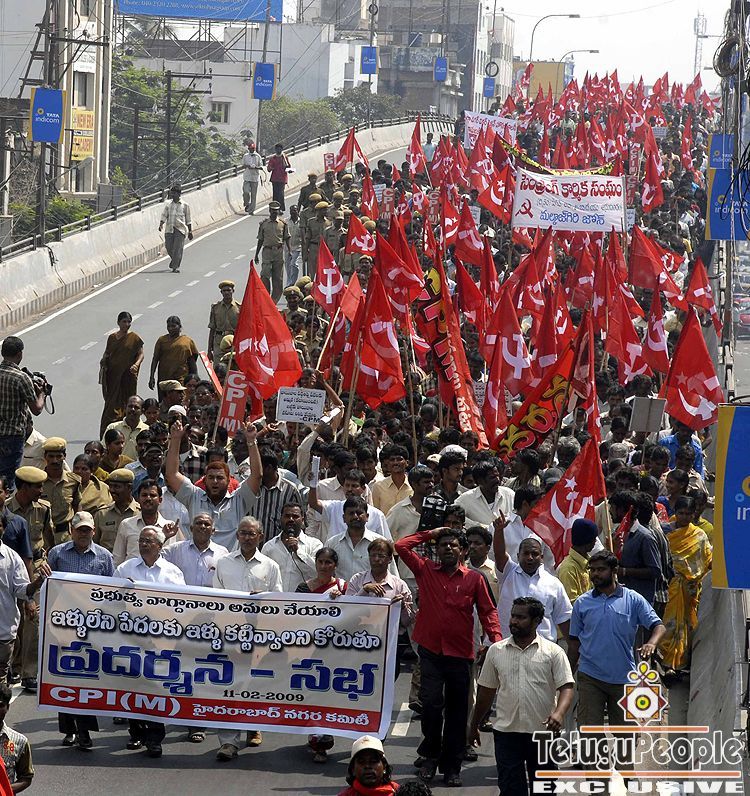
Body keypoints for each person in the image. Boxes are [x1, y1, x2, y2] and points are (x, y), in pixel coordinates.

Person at [395, 527, 501, 787]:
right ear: (437, 550)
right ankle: (430, 757)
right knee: (431, 705)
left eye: (453, 545)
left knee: (457, 712)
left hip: (461, 654)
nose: (448, 548)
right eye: (443, 545)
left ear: (462, 550)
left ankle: (452, 767)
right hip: (431, 651)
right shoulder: (425, 569)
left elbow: (488, 611)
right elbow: (401, 546)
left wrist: (496, 642)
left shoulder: (474, 579)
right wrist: (432, 532)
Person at [568, 551, 665, 773]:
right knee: (589, 733)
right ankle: (598, 780)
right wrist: (566, 677)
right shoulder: (582, 603)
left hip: (624, 679)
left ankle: (625, 777)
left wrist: (651, 643)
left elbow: (658, 626)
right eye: (592, 570)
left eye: (600, 569)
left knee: (626, 736)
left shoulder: (633, 599)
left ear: (614, 571)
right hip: (590, 677)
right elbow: (574, 644)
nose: (595, 574)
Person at [469, 597, 575, 796]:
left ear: (536, 621)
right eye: (513, 616)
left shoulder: (554, 652)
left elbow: (567, 687)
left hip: (543, 735)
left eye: (521, 617)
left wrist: (559, 714)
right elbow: (486, 692)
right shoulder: (496, 651)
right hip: (506, 735)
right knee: (511, 790)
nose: (514, 621)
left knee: (544, 790)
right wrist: (473, 725)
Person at [213, 516, 282, 760]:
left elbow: (278, 601)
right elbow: (216, 600)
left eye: (252, 533)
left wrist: (263, 597)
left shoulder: (270, 566)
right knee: (229, 686)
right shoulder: (223, 563)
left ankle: (253, 725)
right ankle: (228, 742)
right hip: (230, 635)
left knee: (254, 684)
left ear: (260, 536)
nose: (247, 537)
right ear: (237, 535)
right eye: (243, 533)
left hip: (259, 636)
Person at [114, 526, 185, 758]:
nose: (144, 544)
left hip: (160, 640)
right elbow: (110, 601)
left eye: (149, 541)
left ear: (160, 546)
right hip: (131, 638)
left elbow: (182, 606)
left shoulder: (172, 573)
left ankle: (155, 738)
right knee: (132, 686)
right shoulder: (125, 569)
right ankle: (136, 733)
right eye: (141, 540)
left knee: (156, 687)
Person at [47, 510, 114, 750]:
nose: (83, 534)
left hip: (92, 628)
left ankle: (84, 731)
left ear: (94, 531)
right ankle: (69, 730)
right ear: (71, 531)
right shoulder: (57, 554)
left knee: (86, 680)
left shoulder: (104, 557)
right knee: (63, 677)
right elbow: (46, 585)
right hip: (62, 625)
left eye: (87, 530)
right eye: (79, 530)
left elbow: (112, 592)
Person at [166, 417, 262, 550]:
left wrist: (251, 441)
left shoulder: (239, 500)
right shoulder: (194, 496)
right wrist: (175, 439)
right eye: (211, 477)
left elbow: (257, 476)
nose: (215, 482)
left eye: (220, 478)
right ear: (205, 479)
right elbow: (171, 475)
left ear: (229, 480)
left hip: (229, 562)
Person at [493, 511, 572, 642]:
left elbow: (564, 619)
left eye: (534, 554)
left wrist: (572, 649)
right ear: (518, 556)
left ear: (542, 557)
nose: (530, 557)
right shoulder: (508, 572)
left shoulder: (554, 583)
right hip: (508, 646)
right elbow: (499, 553)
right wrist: (499, 530)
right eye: (526, 553)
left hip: (543, 649)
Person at [659, 495, 712, 674]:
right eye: (681, 513)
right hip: (669, 586)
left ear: (694, 514)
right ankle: (665, 663)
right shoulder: (664, 532)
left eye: (688, 514)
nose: (684, 517)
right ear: (675, 512)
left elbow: (707, 559)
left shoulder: (699, 535)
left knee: (685, 626)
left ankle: (679, 664)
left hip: (689, 589)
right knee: (669, 623)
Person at [0, 337, 45, 485]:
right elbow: (36, 409)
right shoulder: (21, 378)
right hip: (12, 437)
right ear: (19, 354)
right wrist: (41, 394)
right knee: (8, 479)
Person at [325, 497, 397, 582]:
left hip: (374, 590)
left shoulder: (381, 543)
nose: (355, 516)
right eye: (351, 513)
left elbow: (393, 576)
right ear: (344, 518)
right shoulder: (332, 544)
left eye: (359, 513)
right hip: (341, 590)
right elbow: (325, 573)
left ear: (367, 517)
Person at [309, 468, 391, 540]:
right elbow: (313, 503)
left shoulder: (377, 515)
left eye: (354, 486)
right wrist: (313, 484)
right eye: (347, 485)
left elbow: (386, 542)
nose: (349, 489)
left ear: (363, 488)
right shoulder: (334, 508)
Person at [112, 480, 180, 565]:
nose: (148, 498)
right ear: (138, 499)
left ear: (160, 500)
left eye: (152, 495)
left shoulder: (170, 528)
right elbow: (117, 560)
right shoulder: (126, 525)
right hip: (131, 573)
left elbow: (176, 559)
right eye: (144, 495)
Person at [99, 312, 144, 436]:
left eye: (129, 322)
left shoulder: (134, 338)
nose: (127, 324)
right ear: (118, 323)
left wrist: (136, 364)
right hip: (113, 377)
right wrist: (104, 361)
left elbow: (141, 354)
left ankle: (127, 431)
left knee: (128, 403)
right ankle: (106, 434)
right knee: (111, 405)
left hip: (128, 377)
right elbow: (107, 353)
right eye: (124, 321)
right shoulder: (112, 338)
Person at [261, 503, 321, 591]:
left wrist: (298, 552)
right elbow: (261, 575)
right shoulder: (269, 547)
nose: (291, 519)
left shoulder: (314, 545)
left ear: (302, 520)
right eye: (287, 516)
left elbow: (318, 573)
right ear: (281, 519)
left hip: (303, 598)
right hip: (276, 598)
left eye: (295, 516)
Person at [39, 437, 81, 546]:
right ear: (45, 457)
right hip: (42, 537)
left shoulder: (73, 481)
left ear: (64, 456)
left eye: (58, 456)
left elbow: (77, 506)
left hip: (65, 537)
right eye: (51, 456)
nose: (55, 461)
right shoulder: (38, 481)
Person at [454, 459, 514, 527]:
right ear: (480, 481)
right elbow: (453, 516)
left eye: (497, 476)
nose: (497, 480)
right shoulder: (465, 499)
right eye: (492, 477)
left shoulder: (509, 494)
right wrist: (477, 526)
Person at [148, 316, 199, 391]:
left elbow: (192, 361)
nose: (170, 328)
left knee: (180, 395)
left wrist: (195, 378)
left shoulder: (187, 341)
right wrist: (151, 377)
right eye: (168, 326)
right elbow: (155, 359)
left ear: (179, 326)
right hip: (164, 377)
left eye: (173, 326)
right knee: (165, 397)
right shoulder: (162, 340)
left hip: (181, 377)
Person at [0, 683, 34, 792]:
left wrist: (4, 790)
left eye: (0, 705)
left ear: (7, 707)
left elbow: (26, 778)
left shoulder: (20, 741)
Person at [256, 201, 291, 303]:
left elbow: (287, 237)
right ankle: (266, 298)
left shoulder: (283, 224)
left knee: (278, 278)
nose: (274, 212)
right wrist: (256, 254)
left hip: (278, 252)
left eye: (276, 211)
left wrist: (289, 250)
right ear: (269, 211)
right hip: (267, 251)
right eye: (272, 210)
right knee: (265, 275)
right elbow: (260, 239)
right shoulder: (264, 224)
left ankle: (273, 302)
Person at [556, 518, 598, 604]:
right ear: (587, 542)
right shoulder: (568, 569)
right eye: (594, 539)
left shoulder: (590, 563)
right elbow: (572, 603)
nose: (595, 542)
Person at [158, 184, 193, 273]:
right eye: (172, 193)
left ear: (178, 194)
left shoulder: (185, 205)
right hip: (169, 229)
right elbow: (164, 215)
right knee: (168, 247)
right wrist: (161, 224)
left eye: (174, 193)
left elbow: (188, 219)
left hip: (180, 230)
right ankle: (174, 261)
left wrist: (190, 231)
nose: (172, 195)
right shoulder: (168, 205)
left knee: (177, 248)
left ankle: (175, 266)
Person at [103, 395, 148, 460]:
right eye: (130, 406)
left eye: (136, 407)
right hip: (116, 466)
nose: (132, 409)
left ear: (142, 411)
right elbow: (104, 449)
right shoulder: (113, 427)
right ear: (125, 408)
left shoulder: (147, 429)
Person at [207, 281, 241, 366]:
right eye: (224, 290)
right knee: (218, 368)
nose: (226, 293)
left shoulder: (239, 307)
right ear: (221, 292)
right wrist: (209, 350)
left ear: (233, 291)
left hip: (234, 342)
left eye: (228, 290)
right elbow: (212, 329)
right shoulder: (215, 307)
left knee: (234, 367)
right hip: (219, 343)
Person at [266, 143, 291, 210]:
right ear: (275, 149)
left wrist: (289, 169)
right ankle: (274, 208)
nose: (278, 150)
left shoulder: (284, 157)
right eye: (277, 149)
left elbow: (288, 167)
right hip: (275, 178)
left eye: (280, 149)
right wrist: (271, 168)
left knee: (281, 194)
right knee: (275, 194)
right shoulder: (273, 158)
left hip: (282, 178)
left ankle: (281, 208)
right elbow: (269, 169)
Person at [242, 140, 263, 214]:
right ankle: (246, 203)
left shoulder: (258, 156)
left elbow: (261, 166)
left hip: (255, 177)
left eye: (253, 149)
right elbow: (243, 165)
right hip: (247, 177)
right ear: (248, 149)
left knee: (254, 195)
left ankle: (252, 210)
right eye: (251, 149)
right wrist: (248, 166)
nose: (252, 150)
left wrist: (255, 167)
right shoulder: (245, 156)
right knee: (246, 191)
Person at [286, 204, 303, 286]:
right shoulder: (286, 222)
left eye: (295, 210)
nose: (293, 212)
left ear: (298, 211)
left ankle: (292, 283)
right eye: (291, 210)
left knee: (293, 264)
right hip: (287, 247)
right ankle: (288, 283)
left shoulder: (301, 222)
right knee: (288, 266)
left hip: (297, 247)